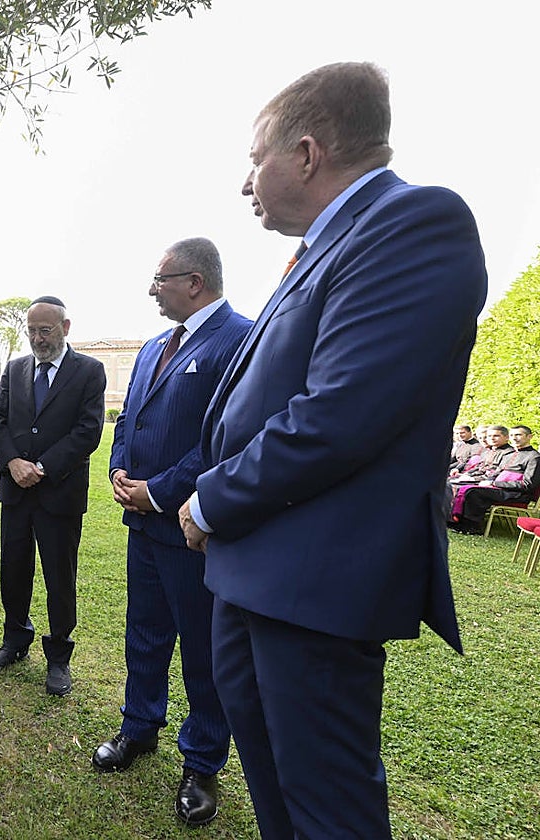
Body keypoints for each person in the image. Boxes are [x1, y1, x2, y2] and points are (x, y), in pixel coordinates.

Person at [177, 63, 486, 839]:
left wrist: (211, 497)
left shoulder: (414, 223)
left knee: (327, 806)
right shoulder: (324, 244)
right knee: (280, 794)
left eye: (255, 159)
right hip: (257, 572)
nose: (245, 184)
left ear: (308, 153)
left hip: (315, 581)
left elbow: (340, 414)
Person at [91, 238, 251, 826]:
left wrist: (159, 491)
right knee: (145, 633)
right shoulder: (157, 343)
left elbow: (219, 439)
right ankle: (139, 728)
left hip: (191, 528)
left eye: (159, 280)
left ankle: (203, 761)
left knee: (203, 647)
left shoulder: (240, 338)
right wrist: (119, 468)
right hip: (143, 526)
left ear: (195, 281)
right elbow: (129, 415)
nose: (151, 290)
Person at [0, 296, 106, 696]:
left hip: (60, 494)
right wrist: (13, 463)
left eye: (45, 330)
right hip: (16, 493)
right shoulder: (15, 369)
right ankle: (15, 640)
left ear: (65, 328)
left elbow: (88, 431)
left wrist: (43, 467)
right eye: (32, 330)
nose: (37, 338)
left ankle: (58, 656)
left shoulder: (89, 371)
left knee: (59, 576)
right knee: (13, 570)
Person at [449, 425, 538, 533]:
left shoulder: (534, 457)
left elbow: (527, 484)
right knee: (460, 485)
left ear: (529, 437)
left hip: (515, 493)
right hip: (499, 487)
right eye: (512, 435)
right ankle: (453, 519)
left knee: (473, 492)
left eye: (518, 435)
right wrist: (476, 480)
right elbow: (496, 473)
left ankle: (472, 526)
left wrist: (494, 483)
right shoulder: (511, 454)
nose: (514, 438)